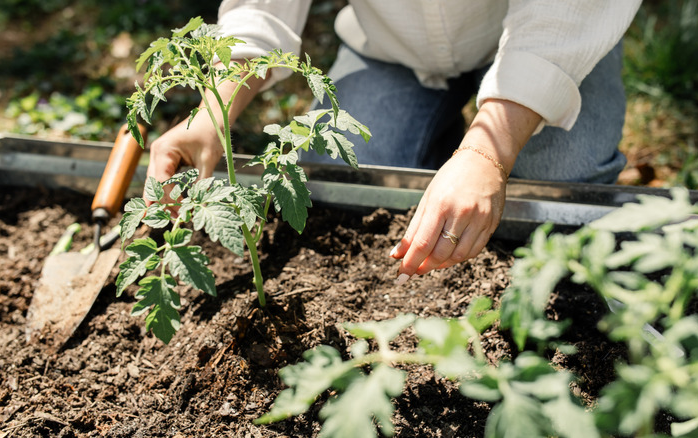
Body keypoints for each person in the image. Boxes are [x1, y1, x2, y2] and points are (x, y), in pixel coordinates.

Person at [145, 1, 642, 285]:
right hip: (394, 49)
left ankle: (466, 152)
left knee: (557, 195)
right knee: (340, 179)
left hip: (555, 35)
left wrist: (486, 153)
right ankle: (444, 149)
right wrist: (214, 108)